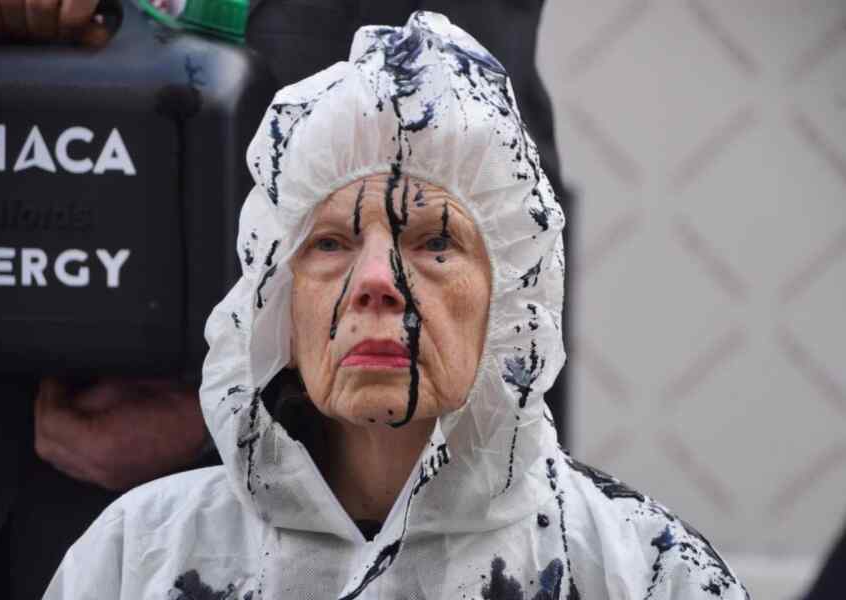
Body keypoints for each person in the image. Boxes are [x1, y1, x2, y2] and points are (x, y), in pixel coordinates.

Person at [44, 13, 749, 599]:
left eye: (435, 241)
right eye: (328, 243)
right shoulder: (136, 560)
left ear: (512, 300)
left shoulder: (642, 572)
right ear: (274, 303)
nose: (376, 280)